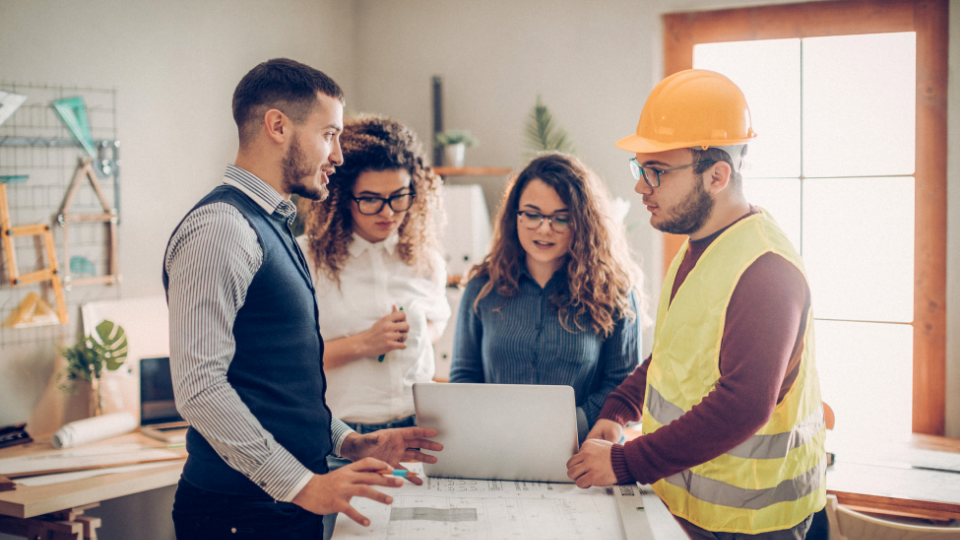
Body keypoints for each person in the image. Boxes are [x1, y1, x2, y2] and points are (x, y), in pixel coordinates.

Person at [163, 58, 441, 540]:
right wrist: (299, 484)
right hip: (241, 513)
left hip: (284, 505)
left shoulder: (273, 224)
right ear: (277, 126)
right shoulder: (220, 230)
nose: (336, 155)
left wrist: (348, 441)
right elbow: (200, 388)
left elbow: (280, 381)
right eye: (329, 134)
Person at [565, 69, 826, 539]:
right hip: (689, 508)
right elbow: (678, 355)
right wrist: (619, 407)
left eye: (656, 172)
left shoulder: (766, 271)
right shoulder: (699, 245)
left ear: (717, 176)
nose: (641, 187)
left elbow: (743, 406)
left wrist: (626, 462)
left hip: (751, 523)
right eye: (640, 169)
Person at [450, 153, 643, 443]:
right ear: (514, 215)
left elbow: (623, 384)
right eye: (532, 214)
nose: (544, 228)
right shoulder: (482, 287)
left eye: (561, 218)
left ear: (582, 222)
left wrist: (567, 425)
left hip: (582, 449)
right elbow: (464, 378)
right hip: (495, 448)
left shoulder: (614, 290)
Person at [297, 114, 450, 437]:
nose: (388, 212)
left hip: (419, 431)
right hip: (341, 438)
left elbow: (438, 319)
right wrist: (363, 343)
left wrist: (418, 331)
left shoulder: (427, 260)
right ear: (341, 196)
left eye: (399, 196)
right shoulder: (305, 260)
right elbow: (288, 360)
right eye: (370, 200)